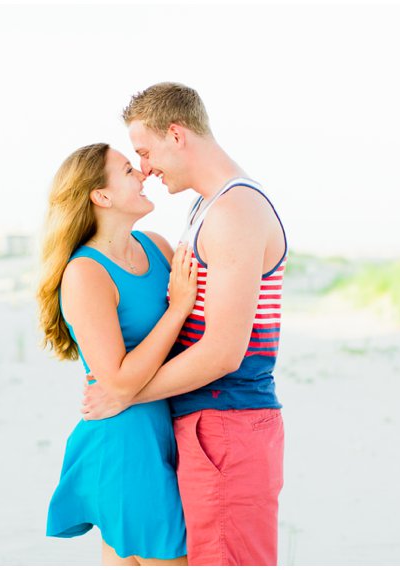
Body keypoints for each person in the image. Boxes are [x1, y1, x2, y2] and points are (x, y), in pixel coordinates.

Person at [81, 83, 287, 566]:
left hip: (227, 423)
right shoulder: (208, 207)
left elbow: (223, 353)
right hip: (209, 427)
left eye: (146, 152)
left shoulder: (235, 209)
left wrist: (126, 392)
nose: (145, 169)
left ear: (177, 134)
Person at [37, 142, 197, 566]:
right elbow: (120, 381)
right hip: (125, 442)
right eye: (128, 170)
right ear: (101, 196)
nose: (143, 173)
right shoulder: (84, 272)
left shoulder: (158, 247)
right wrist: (178, 307)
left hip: (170, 427)